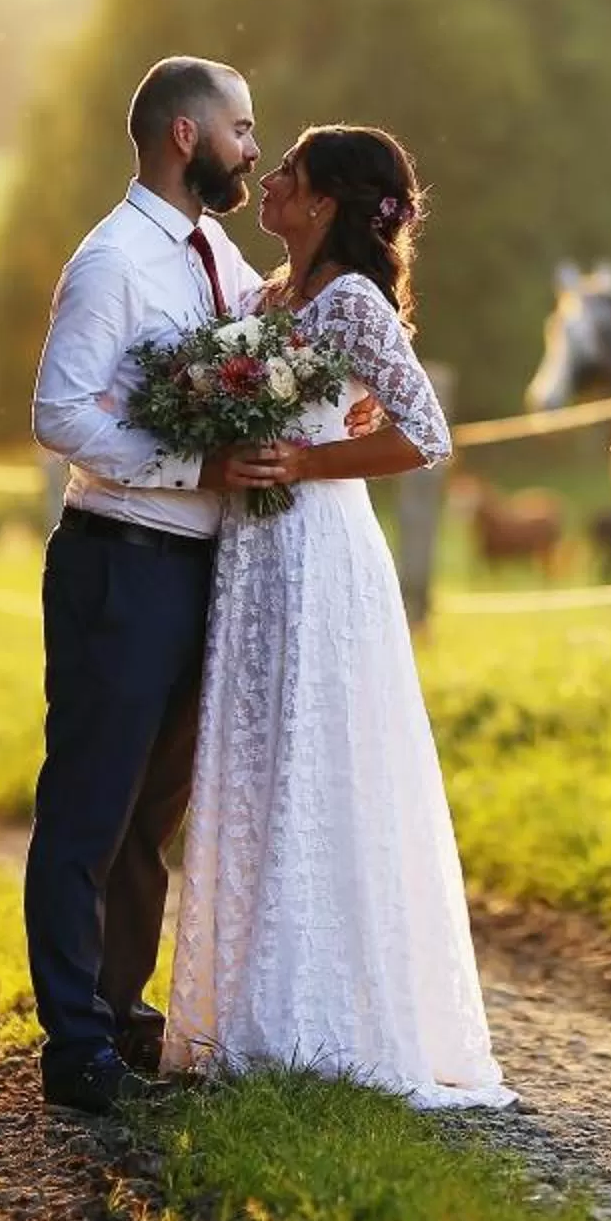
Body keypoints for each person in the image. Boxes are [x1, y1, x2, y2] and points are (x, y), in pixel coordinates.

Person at [159, 124, 514, 1110]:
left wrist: (311, 458)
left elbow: (426, 433)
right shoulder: (270, 296)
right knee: (256, 761)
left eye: (287, 174)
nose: (266, 181)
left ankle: (330, 1022)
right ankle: (253, 1013)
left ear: (323, 203)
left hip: (320, 550)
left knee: (317, 758)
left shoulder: (353, 302)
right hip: (252, 550)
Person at [24, 55, 287, 1115]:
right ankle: (72, 1044)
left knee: (151, 816)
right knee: (89, 809)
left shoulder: (214, 249)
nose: (254, 148)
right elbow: (60, 413)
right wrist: (196, 467)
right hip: (120, 565)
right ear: (188, 136)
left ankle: (119, 1007)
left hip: (201, 574)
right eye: (243, 127)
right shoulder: (113, 260)